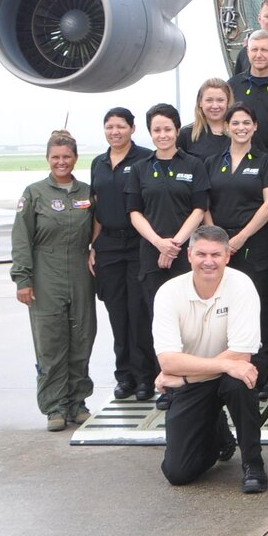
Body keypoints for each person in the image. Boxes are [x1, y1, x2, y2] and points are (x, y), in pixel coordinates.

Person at [151, 225, 265, 492]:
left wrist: (184, 377)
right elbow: (168, 362)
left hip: (214, 376)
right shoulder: (169, 292)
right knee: (178, 472)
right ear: (189, 255)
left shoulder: (242, 285)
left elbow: (241, 354)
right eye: (201, 254)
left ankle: (253, 464)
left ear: (228, 256)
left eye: (216, 254)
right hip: (198, 378)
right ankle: (219, 435)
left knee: (240, 381)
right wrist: (222, 364)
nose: (208, 261)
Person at [12, 130, 97, 431]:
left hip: (80, 273)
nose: (61, 162)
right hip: (45, 273)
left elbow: (100, 228)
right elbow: (21, 238)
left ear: (76, 158)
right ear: (48, 159)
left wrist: (96, 250)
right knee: (50, 342)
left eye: (67, 157)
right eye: (55, 157)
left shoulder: (87, 193)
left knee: (82, 337)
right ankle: (55, 407)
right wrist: (22, 279)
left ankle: (77, 402)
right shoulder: (34, 193)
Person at [125, 105, 210, 382]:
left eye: (167, 129)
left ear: (177, 130)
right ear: (150, 133)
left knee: (190, 317)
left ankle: (192, 376)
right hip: (151, 255)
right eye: (156, 130)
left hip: (186, 254)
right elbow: (134, 212)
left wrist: (174, 244)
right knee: (159, 319)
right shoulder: (140, 169)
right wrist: (158, 243)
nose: (162, 135)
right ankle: (165, 378)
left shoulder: (194, 165)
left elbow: (199, 208)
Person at [206, 104, 268, 392]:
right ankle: (227, 369)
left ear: (255, 126)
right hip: (220, 247)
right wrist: (217, 240)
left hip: (254, 242)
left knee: (259, 306)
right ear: (227, 127)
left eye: (246, 122)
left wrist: (239, 238)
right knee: (224, 309)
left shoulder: (266, 161)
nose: (241, 128)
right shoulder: (212, 162)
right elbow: (204, 204)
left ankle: (264, 372)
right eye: (236, 123)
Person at [89, 106, 153, 402]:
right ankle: (124, 376)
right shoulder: (99, 163)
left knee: (139, 312)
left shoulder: (145, 159)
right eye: (109, 127)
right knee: (117, 313)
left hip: (138, 245)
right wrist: (93, 246)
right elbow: (97, 207)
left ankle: (145, 377)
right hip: (109, 246)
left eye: (121, 126)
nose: (115, 132)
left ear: (132, 129)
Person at [181, 79, 231, 160]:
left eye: (220, 100)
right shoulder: (186, 134)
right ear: (200, 102)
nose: (215, 106)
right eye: (209, 100)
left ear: (227, 102)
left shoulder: (237, 134)